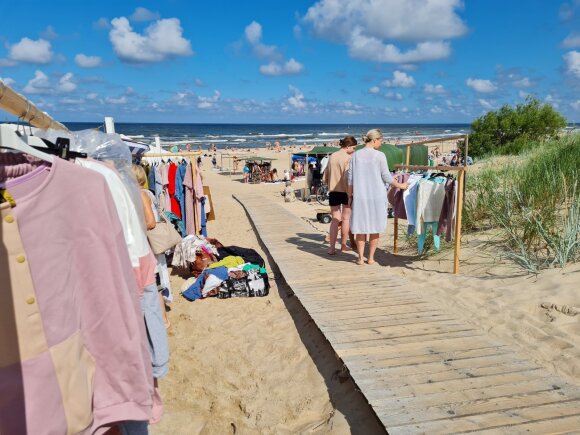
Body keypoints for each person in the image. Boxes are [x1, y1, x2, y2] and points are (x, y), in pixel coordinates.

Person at [348, 129, 408, 265]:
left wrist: (350, 196)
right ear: (374, 140)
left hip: (360, 197)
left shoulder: (355, 155)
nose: (381, 144)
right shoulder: (380, 155)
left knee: (360, 227)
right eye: (381, 141)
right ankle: (370, 258)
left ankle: (359, 258)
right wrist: (400, 185)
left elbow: (350, 179)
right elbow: (386, 177)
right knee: (375, 228)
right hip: (377, 196)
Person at [132, 165, 172, 329]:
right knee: (154, 282)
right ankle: (160, 319)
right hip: (150, 245)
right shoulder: (145, 193)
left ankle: (163, 320)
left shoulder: (141, 194)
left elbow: (150, 222)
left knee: (153, 283)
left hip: (149, 244)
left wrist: (132, 226)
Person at [324, 135, 357, 255]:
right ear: (348, 146)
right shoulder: (348, 158)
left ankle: (331, 248)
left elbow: (325, 176)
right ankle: (343, 246)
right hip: (346, 191)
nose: (354, 150)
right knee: (346, 219)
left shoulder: (332, 156)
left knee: (335, 219)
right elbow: (350, 177)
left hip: (333, 190)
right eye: (353, 147)